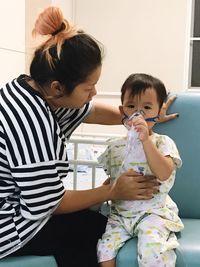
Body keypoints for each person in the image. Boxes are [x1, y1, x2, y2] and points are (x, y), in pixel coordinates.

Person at [0, 6, 178, 267]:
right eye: (88, 87)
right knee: (89, 232)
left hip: (26, 202)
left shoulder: (36, 89)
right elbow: (47, 203)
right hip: (8, 224)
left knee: (90, 222)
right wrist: (112, 190)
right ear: (58, 87)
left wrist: (139, 116)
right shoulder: (28, 119)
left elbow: (92, 112)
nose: (94, 92)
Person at [97, 73, 184, 267]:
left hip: (153, 212)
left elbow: (164, 173)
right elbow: (113, 180)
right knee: (103, 251)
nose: (138, 114)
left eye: (146, 108)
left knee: (153, 252)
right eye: (131, 107)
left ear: (158, 111)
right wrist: (96, 201)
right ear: (122, 111)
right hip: (120, 215)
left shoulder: (162, 143)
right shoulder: (114, 147)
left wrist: (145, 140)